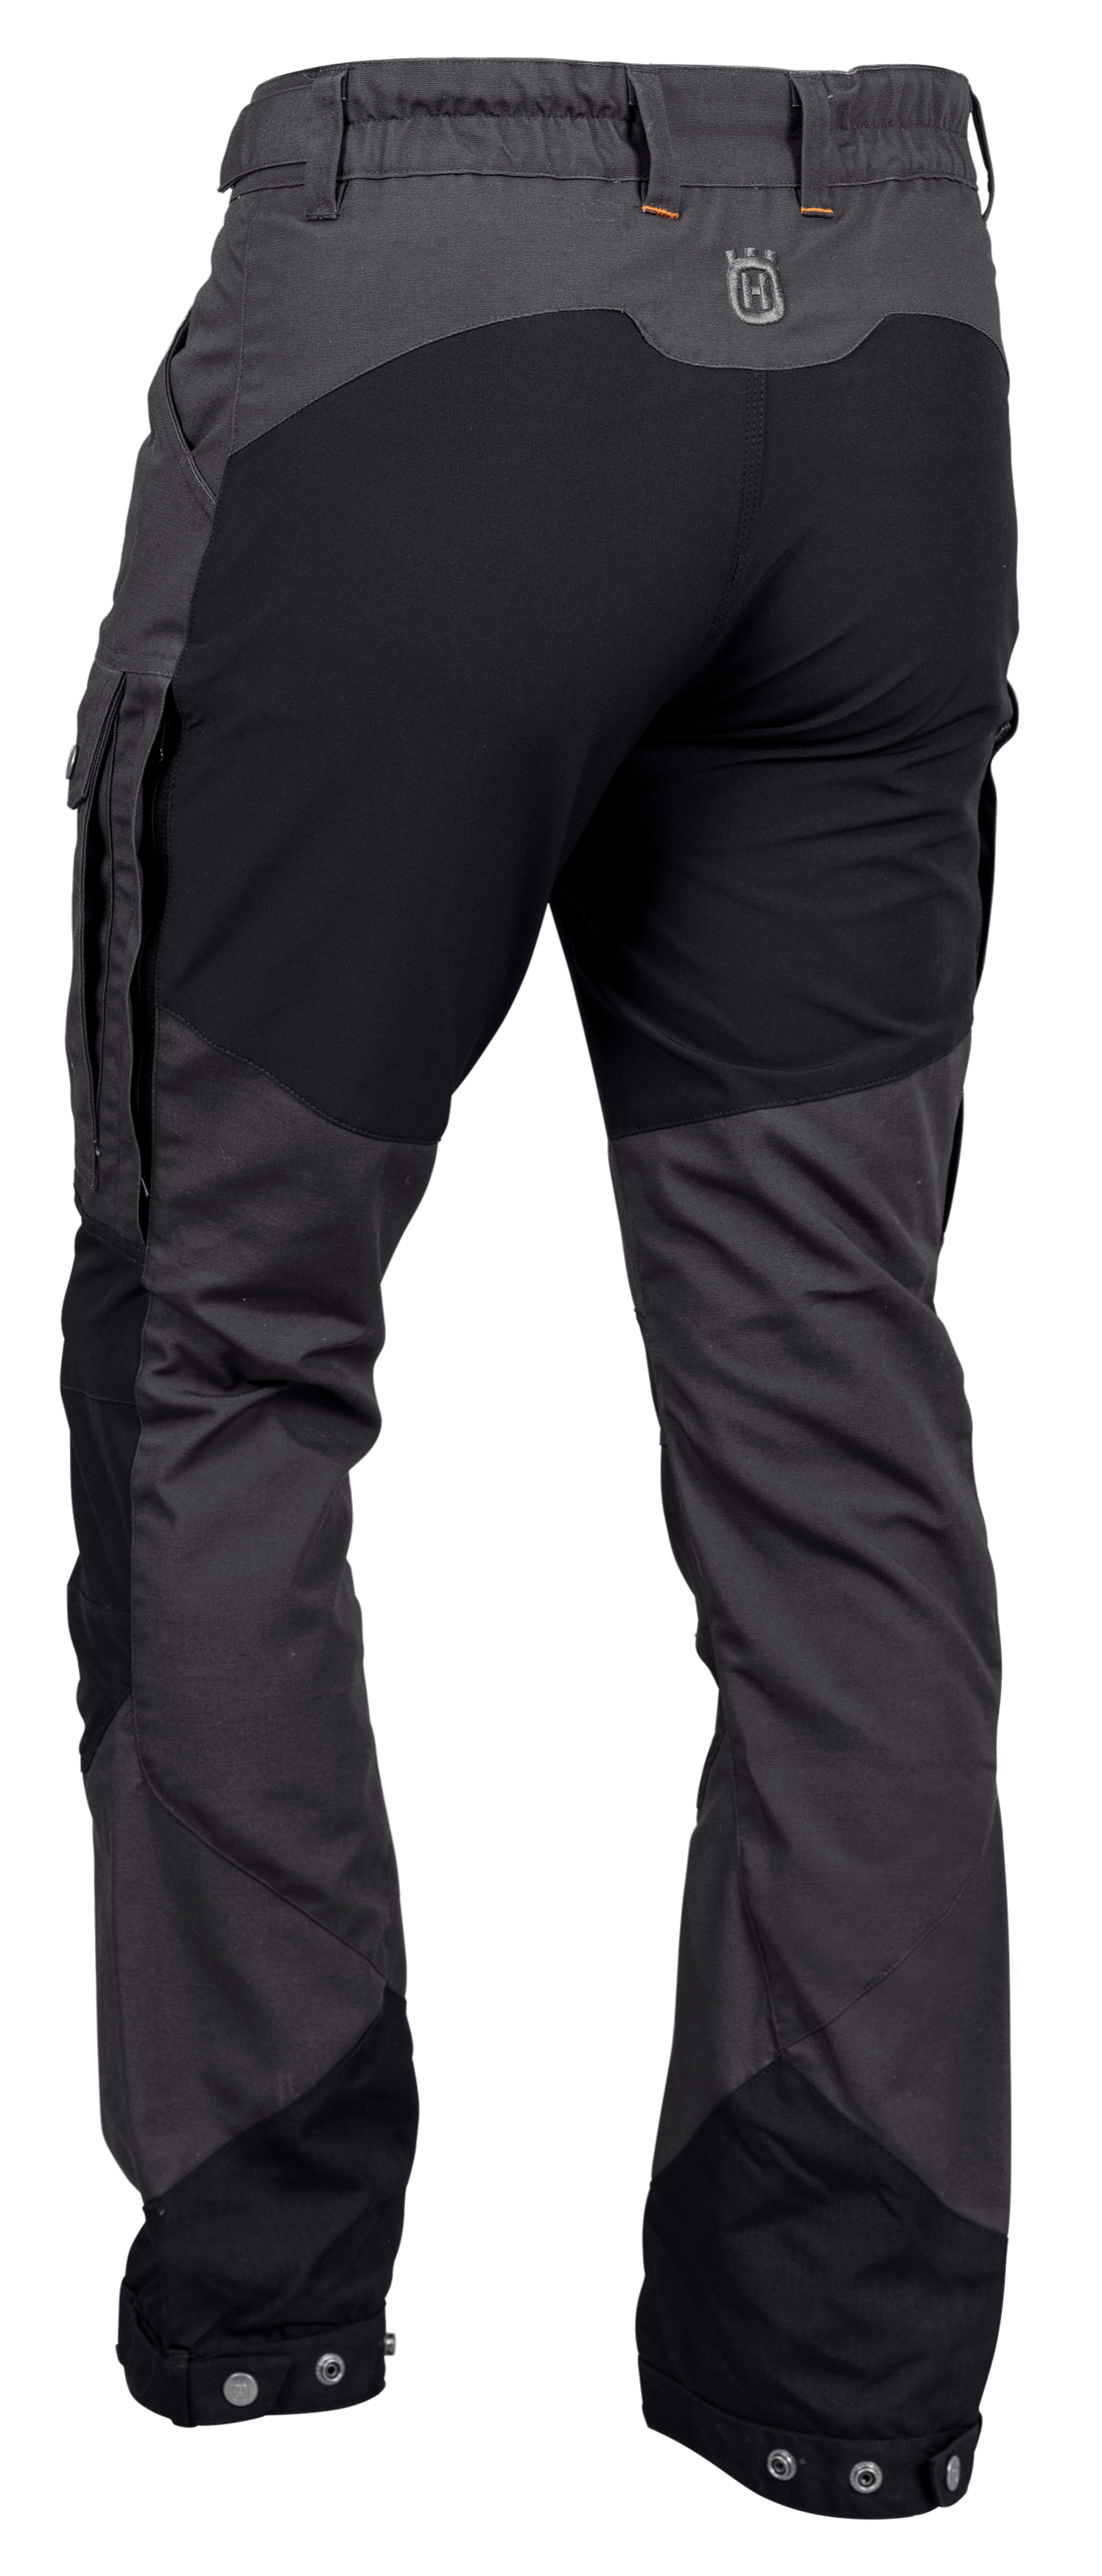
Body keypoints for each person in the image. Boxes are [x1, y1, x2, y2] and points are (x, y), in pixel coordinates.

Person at [61, 54, 1017, 2515]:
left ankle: (269, 2291)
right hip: (893, 326)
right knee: (842, 1430)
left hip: (415, 326)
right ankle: (845, 2369)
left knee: (221, 1357)